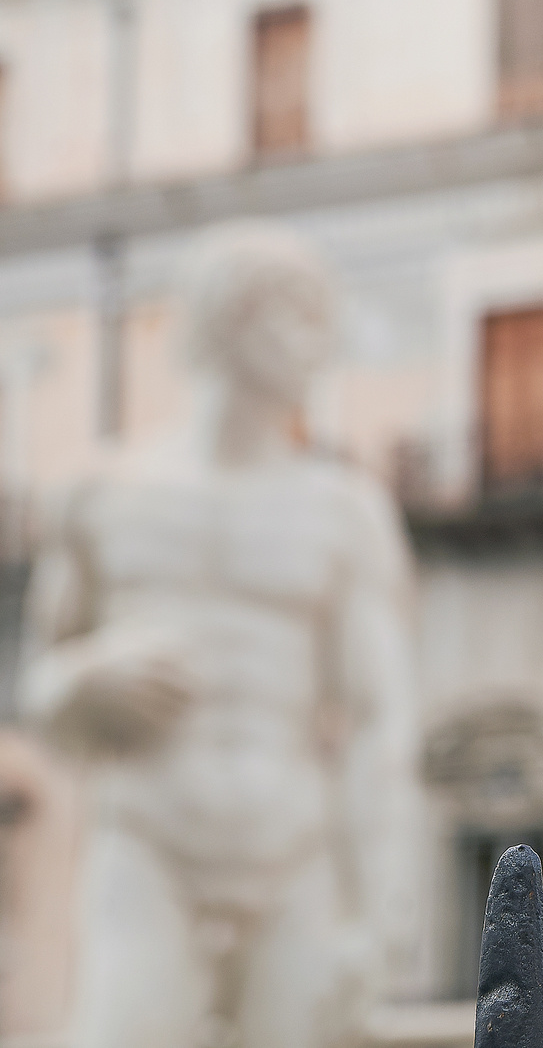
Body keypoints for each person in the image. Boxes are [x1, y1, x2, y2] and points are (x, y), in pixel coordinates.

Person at [25, 225, 417, 1048]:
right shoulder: (101, 497)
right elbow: (40, 692)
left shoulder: (345, 514)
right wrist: (77, 683)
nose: (321, 343)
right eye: (297, 315)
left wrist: (380, 906)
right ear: (229, 317)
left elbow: (381, 720)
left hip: (292, 851)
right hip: (148, 842)